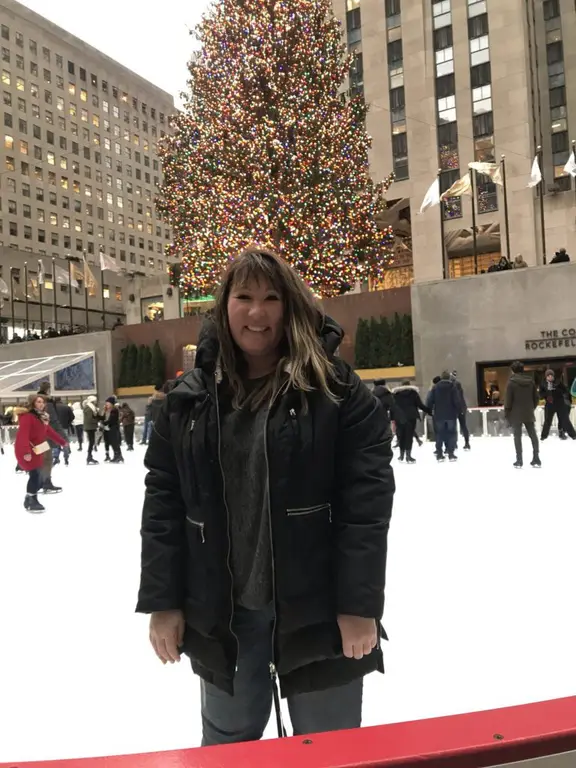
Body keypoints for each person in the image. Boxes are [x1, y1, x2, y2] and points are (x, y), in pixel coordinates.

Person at [137, 247, 394, 745]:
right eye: (245, 296)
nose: (257, 312)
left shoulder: (335, 390)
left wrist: (359, 605)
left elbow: (367, 505)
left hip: (319, 607)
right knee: (229, 745)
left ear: (290, 305)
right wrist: (163, 601)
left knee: (331, 746)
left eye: (271, 298)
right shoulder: (189, 399)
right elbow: (163, 505)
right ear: (223, 306)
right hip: (224, 612)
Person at [15, 394, 68, 512]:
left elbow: (49, 431)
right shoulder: (27, 417)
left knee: (39, 475)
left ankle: (30, 497)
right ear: (32, 403)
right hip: (26, 449)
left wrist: (62, 442)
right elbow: (23, 435)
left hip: (37, 449)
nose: (41, 404)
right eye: (38, 402)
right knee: (35, 474)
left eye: (42, 402)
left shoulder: (41, 418)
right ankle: (31, 499)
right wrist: (25, 452)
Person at [504, 361, 541, 468]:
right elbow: (536, 398)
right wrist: (531, 408)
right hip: (528, 412)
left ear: (513, 370)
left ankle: (519, 460)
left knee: (517, 437)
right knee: (533, 435)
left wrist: (507, 413)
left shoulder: (511, 383)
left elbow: (508, 401)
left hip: (515, 414)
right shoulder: (531, 382)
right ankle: (536, 458)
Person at [392, 380, 431, 463]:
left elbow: (393, 406)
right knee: (409, 436)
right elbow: (420, 405)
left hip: (399, 417)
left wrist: (392, 417)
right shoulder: (413, 393)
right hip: (411, 417)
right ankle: (408, 456)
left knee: (401, 436)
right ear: (409, 385)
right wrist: (429, 410)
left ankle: (401, 455)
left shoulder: (396, 394)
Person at [426, 371, 462, 461]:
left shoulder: (435, 387)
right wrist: (459, 410)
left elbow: (430, 400)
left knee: (439, 434)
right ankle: (451, 453)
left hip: (439, 415)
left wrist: (429, 411)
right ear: (448, 378)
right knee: (451, 434)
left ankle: (439, 454)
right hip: (451, 415)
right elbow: (457, 400)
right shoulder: (452, 387)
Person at [37, 382, 65, 493]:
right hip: (45, 436)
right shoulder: (47, 402)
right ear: (48, 390)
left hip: (36, 436)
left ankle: (40, 481)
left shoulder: (35, 400)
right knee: (47, 459)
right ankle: (46, 482)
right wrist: (62, 436)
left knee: (40, 459)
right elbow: (53, 420)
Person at [539, 369, 576, 440]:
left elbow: (565, 391)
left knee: (565, 420)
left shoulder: (558, 382)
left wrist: (556, 389)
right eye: (548, 376)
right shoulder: (543, 383)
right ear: (546, 377)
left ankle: (573, 435)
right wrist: (546, 393)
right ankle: (543, 436)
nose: (550, 377)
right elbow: (540, 395)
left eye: (551, 376)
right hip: (549, 404)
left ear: (553, 376)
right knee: (547, 421)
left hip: (560, 404)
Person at [450, 371, 471, 450]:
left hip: (456, 408)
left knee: (454, 426)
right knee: (463, 426)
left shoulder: (453, 386)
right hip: (461, 408)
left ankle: (455, 443)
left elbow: (457, 399)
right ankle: (467, 443)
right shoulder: (458, 386)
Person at [53, 396, 74, 466]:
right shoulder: (66, 407)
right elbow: (72, 417)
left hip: (55, 428)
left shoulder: (52, 408)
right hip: (64, 427)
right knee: (65, 443)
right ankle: (66, 458)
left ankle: (56, 458)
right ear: (60, 400)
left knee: (56, 442)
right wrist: (68, 423)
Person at [101, 397, 124, 463]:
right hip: (111, 428)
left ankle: (118, 456)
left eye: (107, 403)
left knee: (115, 443)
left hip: (113, 428)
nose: (106, 404)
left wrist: (104, 423)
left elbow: (112, 420)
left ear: (111, 403)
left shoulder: (114, 410)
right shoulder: (111, 410)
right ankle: (118, 456)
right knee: (113, 443)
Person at [83, 395, 100, 465]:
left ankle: (89, 456)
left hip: (91, 426)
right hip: (90, 427)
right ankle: (89, 457)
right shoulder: (89, 408)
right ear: (92, 401)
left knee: (92, 442)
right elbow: (90, 418)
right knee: (91, 442)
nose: (96, 402)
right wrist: (96, 421)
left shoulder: (91, 408)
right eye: (95, 401)